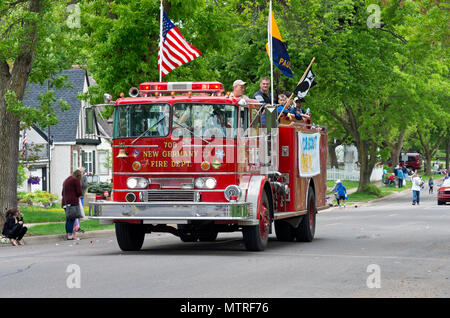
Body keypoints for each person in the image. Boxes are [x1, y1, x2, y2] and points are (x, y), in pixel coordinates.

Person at [62, 169, 83, 240]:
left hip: (65, 202)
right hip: (72, 203)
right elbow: (79, 192)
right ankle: (70, 236)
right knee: (71, 219)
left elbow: (62, 193)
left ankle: (68, 234)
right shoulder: (76, 180)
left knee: (68, 219)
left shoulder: (67, 180)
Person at [73, 167, 88, 234]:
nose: (81, 173)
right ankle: (76, 227)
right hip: (76, 197)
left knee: (79, 212)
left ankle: (77, 226)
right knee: (76, 213)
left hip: (81, 196)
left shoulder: (84, 177)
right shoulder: (74, 178)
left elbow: (85, 186)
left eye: (82, 172)